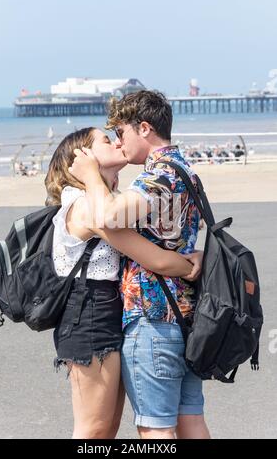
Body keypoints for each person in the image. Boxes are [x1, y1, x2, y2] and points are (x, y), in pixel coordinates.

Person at [69, 90, 211, 439]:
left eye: (121, 133)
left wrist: (89, 176)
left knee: (155, 428)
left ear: (144, 128)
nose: (120, 143)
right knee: (191, 421)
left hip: (152, 318)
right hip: (188, 315)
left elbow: (110, 216)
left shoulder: (158, 175)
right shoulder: (186, 171)